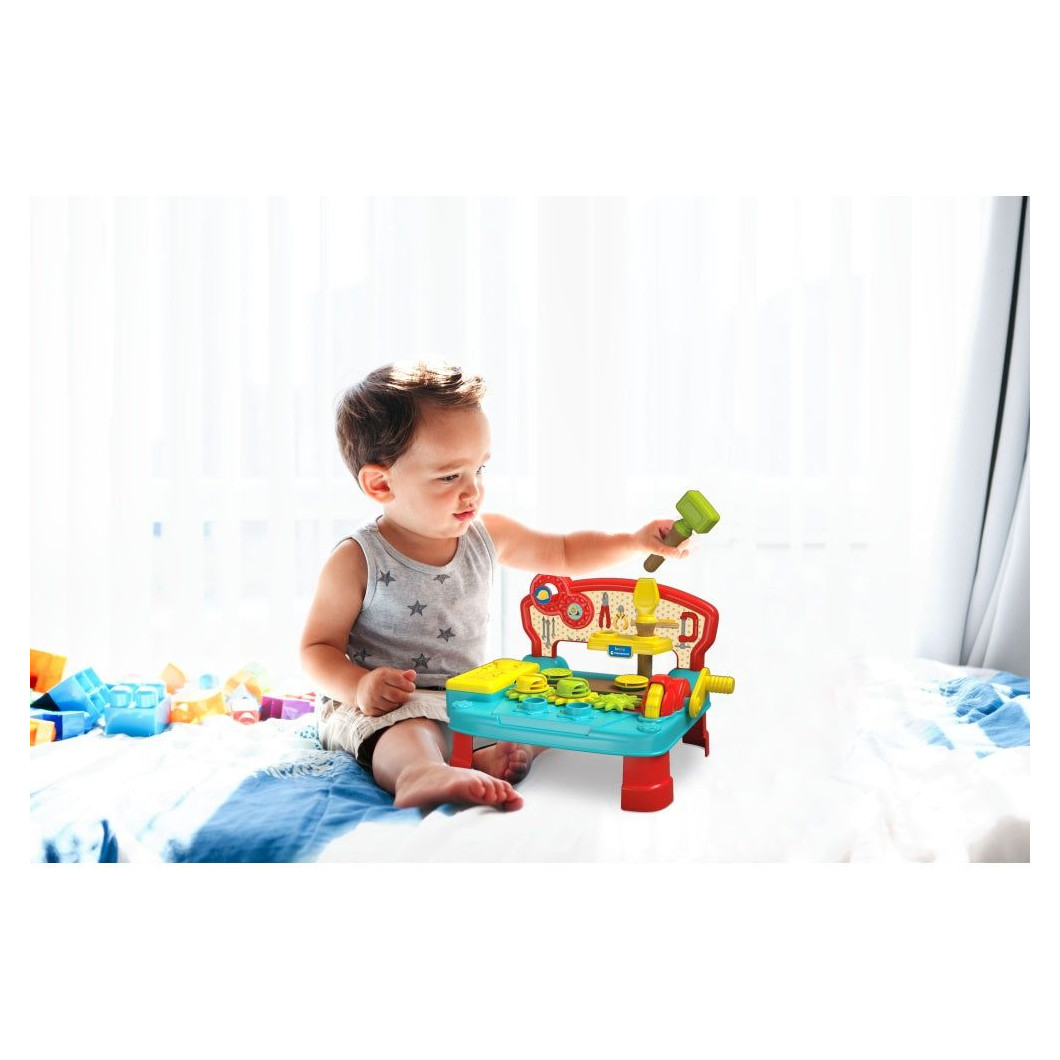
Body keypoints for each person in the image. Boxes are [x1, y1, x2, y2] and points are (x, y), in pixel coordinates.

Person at [299, 362, 692, 812]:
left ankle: (491, 754)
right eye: (450, 476)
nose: (473, 492)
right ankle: (420, 773)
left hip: (468, 697)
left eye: (480, 469)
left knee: (543, 706)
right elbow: (316, 649)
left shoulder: (485, 535)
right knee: (408, 734)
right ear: (381, 483)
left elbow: (563, 552)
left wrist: (633, 541)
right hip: (389, 709)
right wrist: (359, 686)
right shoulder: (358, 558)